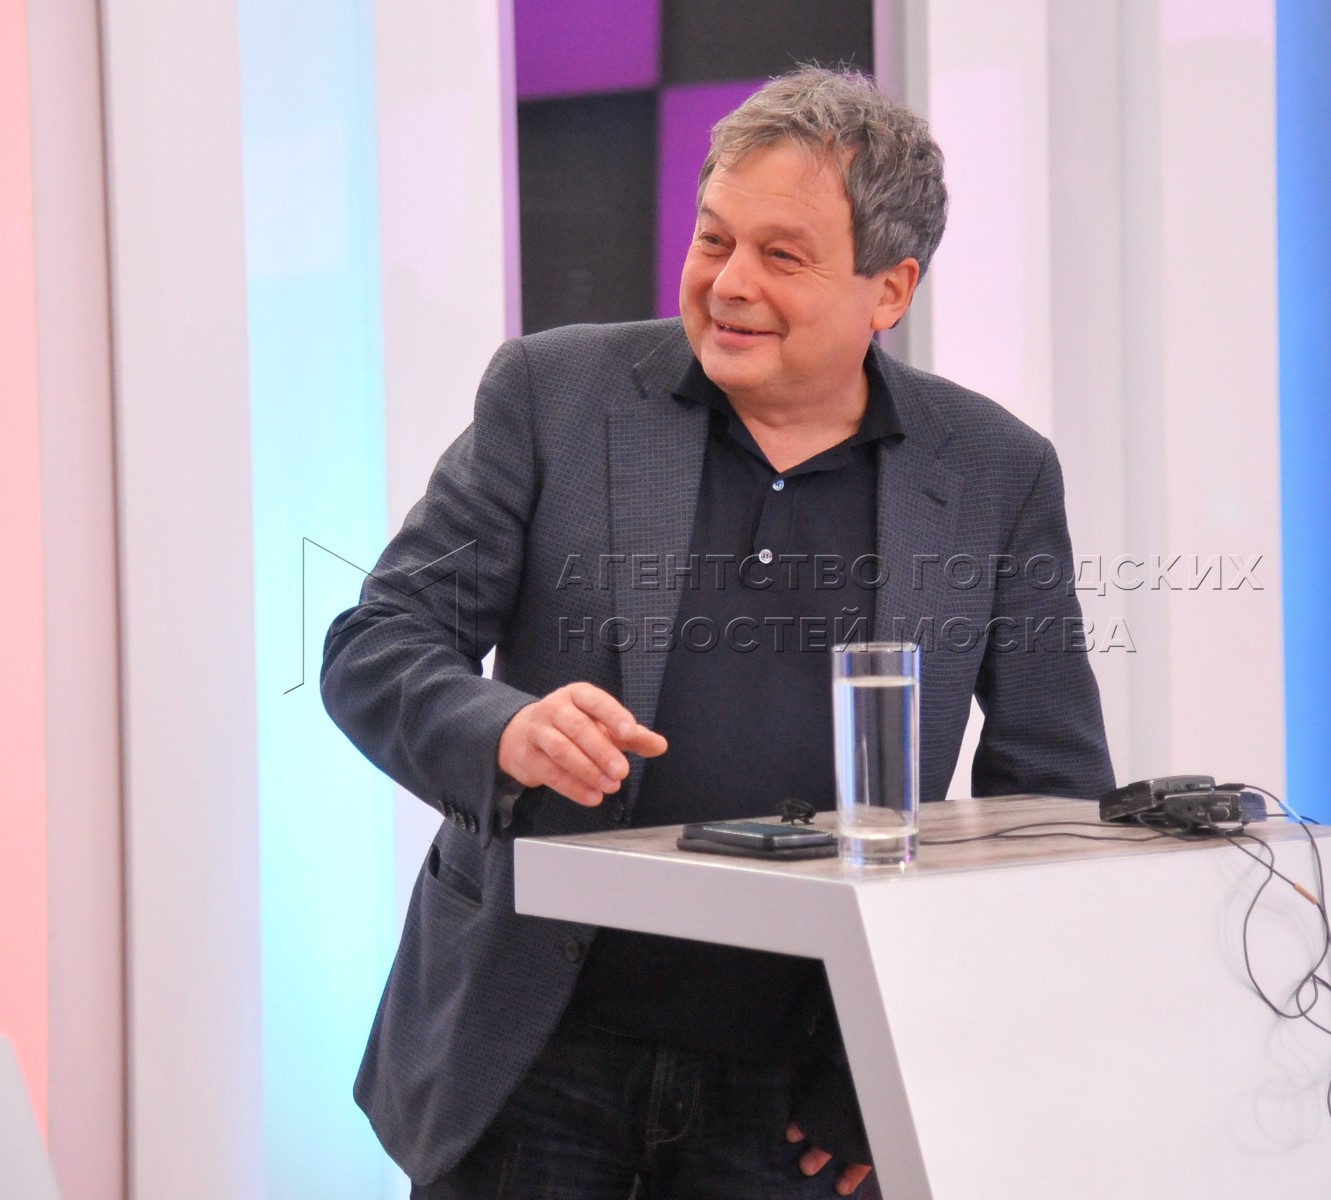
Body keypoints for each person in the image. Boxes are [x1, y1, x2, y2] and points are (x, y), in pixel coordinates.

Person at [321, 67, 1113, 1200]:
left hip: (804, 1087)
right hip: (533, 1051)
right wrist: (503, 730)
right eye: (713, 239)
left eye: (782, 255)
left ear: (889, 289)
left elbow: (1051, 793)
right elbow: (379, 639)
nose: (730, 283)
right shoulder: (554, 394)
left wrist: (903, 1058)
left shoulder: (995, 471)